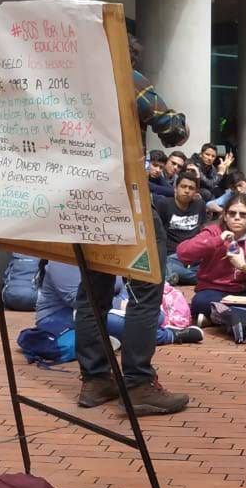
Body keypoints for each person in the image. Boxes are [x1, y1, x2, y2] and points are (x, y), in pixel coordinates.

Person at [75, 34, 190, 416]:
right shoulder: (127, 77)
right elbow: (172, 129)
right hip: (125, 196)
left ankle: (95, 379)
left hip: (84, 197)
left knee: (93, 290)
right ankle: (139, 383)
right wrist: (179, 120)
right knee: (146, 287)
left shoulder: (71, 81)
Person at [176, 192, 246, 321]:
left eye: (243, 214)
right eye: (232, 213)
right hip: (216, 291)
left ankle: (220, 317)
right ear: (225, 216)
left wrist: (245, 268)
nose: (237, 218)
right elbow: (183, 253)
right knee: (200, 302)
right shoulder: (213, 232)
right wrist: (217, 240)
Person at [155, 172, 208, 286]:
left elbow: (202, 229)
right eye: (183, 187)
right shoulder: (164, 204)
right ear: (176, 188)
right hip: (172, 255)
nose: (187, 191)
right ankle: (199, 278)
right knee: (166, 264)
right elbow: (157, 233)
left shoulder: (200, 204)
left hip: (194, 253)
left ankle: (177, 276)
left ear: (195, 192)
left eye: (191, 188)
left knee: (212, 264)